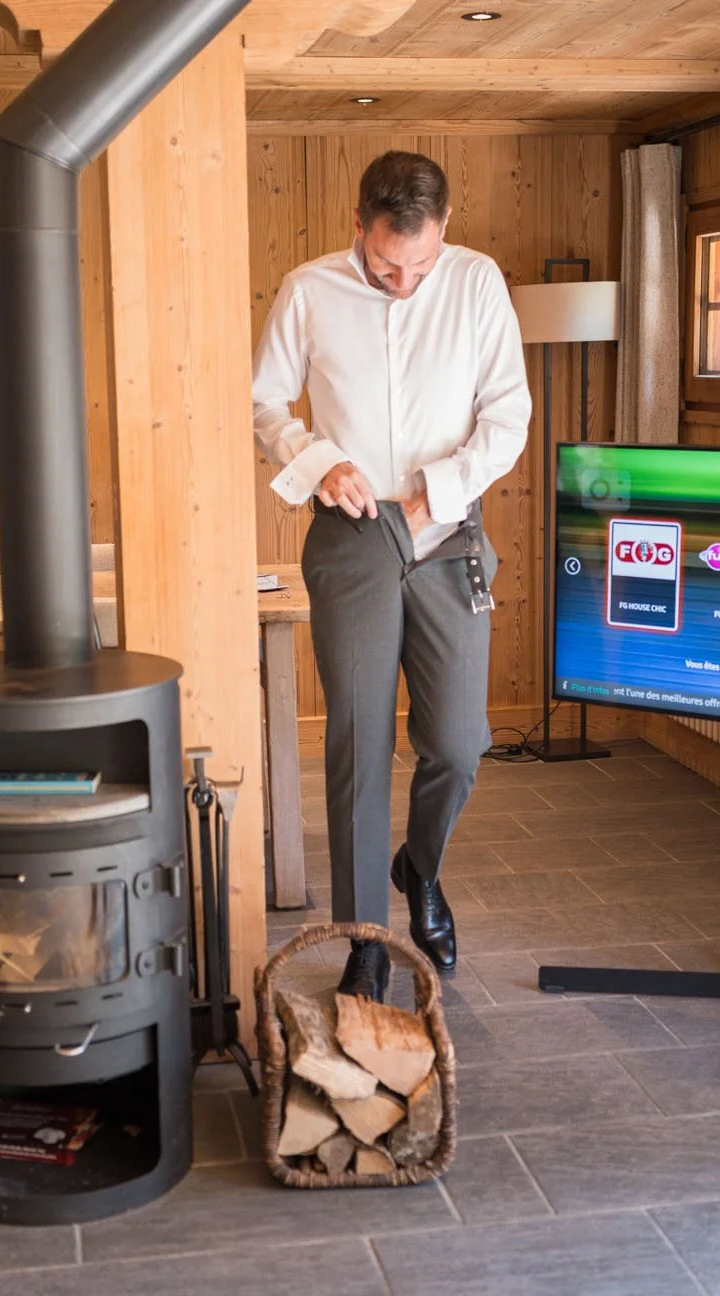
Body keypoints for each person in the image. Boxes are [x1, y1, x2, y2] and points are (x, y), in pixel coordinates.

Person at [252, 150, 531, 1001]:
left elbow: (508, 414)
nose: (404, 281)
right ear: (359, 225)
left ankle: (421, 865)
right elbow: (263, 401)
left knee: (457, 741)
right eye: (384, 265)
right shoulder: (308, 289)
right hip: (353, 530)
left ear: (443, 229)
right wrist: (319, 459)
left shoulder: (478, 283)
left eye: (419, 264)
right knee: (358, 741)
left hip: (445, 532)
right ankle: (365, 938)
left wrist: (436, 494)